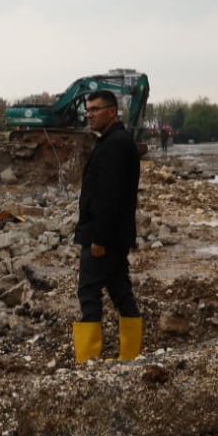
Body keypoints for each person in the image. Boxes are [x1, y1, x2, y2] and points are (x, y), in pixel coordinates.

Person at [73, 90, 143, 363]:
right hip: (115, 235)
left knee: (88, 292)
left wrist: (99, 238)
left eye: (95, 109)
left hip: (104, 237)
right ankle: (131, 355)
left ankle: (88, 360)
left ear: (112, 112)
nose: (89, 114)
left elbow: (110, 196)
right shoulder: (114, 141)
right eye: (87, 110)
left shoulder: (115, 144)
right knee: (120, 291)